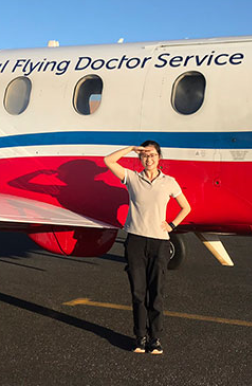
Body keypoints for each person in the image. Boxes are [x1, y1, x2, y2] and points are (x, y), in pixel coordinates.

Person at [104, 141, 191, 354]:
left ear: (159, 158)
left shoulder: (169, 182)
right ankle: (140, 337)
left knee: (157, 292)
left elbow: (186, 207)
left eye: (152, 155)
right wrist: (132, 148)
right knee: (138, 293)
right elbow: (108, 161)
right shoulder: (133, 178)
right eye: (144, 155)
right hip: (135, 241)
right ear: (140, 158)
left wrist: (171, 225)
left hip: (159, 243)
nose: (148, 159)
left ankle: (155, 339)